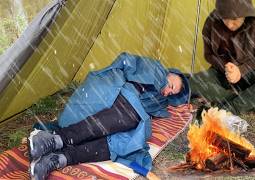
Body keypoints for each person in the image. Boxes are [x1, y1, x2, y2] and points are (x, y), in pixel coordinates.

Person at [28, 52, 190, 180]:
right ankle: (56, 140)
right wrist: (154, 82)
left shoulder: (159, 99)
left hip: (131, 115)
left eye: (171, 93)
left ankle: (56, 159)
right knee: (127, 116)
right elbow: (127, 62)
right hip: (121, 93)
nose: (168, 91)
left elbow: (158, 109)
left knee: (122, 144)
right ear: (169, 73)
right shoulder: (154, 67)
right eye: (170, 85)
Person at [191, 0, 255, 115]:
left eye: (234, 20)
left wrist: (241, 70)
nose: (229, 24)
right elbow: (208, 54)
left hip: (251, 71)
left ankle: (230, 108)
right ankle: (243, 99)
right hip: (222, 70)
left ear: (246, 15)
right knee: (193, 82)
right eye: (225, 19)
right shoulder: (212, 19)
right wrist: (226, 67)